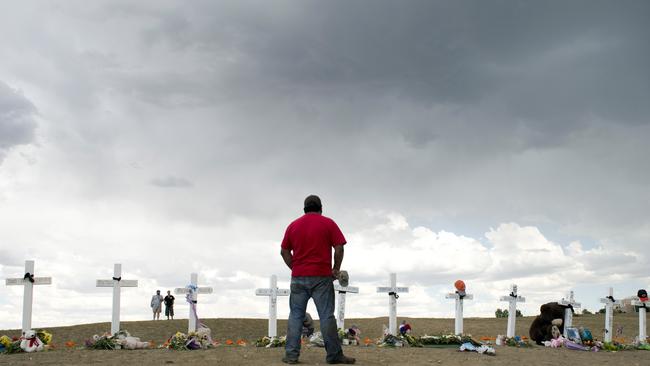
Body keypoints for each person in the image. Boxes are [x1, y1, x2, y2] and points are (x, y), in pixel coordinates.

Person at [280, 195, 355, 364]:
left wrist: (295, 268)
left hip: (298, 278)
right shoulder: (328, 223)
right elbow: (339, 248)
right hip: (322, 277)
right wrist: (335, 269)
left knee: (296, 316)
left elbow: (284, 252)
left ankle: (291, 355)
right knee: (327, 316)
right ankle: (334, 355)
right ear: (321, 208)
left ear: (304, 209)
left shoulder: (293, 225)